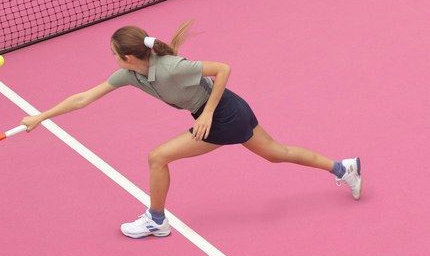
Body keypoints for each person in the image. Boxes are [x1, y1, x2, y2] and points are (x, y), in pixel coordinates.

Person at [19, 21, 362, 238]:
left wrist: (207, 114)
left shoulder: (172, 67)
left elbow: (223, 68)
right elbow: (83, 98)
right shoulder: (129, 75)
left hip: (222, 114)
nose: (111, 57)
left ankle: (156, 220)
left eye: (113, 53)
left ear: (128, 56)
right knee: (277, 154)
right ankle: (342, 167)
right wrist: (40, 116)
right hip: (230, 111)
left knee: (157, 158)